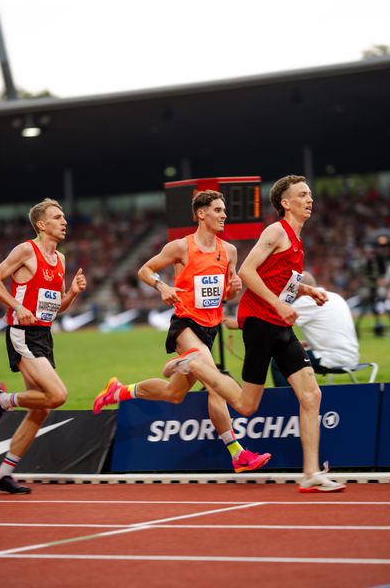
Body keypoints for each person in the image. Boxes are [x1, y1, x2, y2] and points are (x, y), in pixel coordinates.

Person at [165, 175, 345, 493]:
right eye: (303, 195)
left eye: (310, 194)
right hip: (261, 323)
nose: (310, 199)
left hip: (280, 324)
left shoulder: (297, 239)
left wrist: (306, 289)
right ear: (286, 203)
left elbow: (278, 279)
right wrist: (278, 303)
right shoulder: (277, 231)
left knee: (311, 395)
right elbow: (248, 271)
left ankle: (311, 473)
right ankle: (193, 364)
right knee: (247, 406)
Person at [93, 190, 271, 473]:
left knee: (173, 393)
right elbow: (145, 270)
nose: (224, 215)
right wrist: (162, 286)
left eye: (224, 210)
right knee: (215, 382)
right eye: (217, 210)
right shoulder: (181, 247)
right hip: (186, 325)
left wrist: (232, 289)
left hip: (210, 329)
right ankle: (238, 453)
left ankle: (118, 391)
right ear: (201, 214)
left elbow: (223, 292)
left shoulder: (230, 251)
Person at [0, 198, 86, 494]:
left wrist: (71, 293)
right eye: (57, 217)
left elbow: (53, 309)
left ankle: (4, 473)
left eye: (64, 217)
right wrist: (17, 306)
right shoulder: (25, 250)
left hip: (43, 335)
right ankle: (0, 400)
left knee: (41, 408)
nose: (64, 221)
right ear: (42, 224)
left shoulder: (61, 260)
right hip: (22, 333)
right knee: (57, 395)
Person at [271, 272, 360, 386]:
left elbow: (275, 319)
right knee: (291, 356)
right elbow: (331, 330)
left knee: (279, 361)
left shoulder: (306, 301)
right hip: (351, 357)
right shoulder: (335, 296)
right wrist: (308, 344)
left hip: (331, 358)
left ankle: (286, 402)